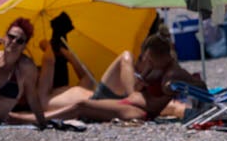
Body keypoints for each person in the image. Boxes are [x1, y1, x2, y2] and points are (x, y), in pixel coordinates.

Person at [43, 31, 205, 123]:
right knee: (171, 106)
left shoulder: (59, 92)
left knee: (126, 56)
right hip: (112, 100)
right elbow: (49, 63)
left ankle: (32, 119)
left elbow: (86, 76)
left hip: (112, 98)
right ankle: (33, 119)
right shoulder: (43, 98)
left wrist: (66, 53)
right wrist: (48, 49)